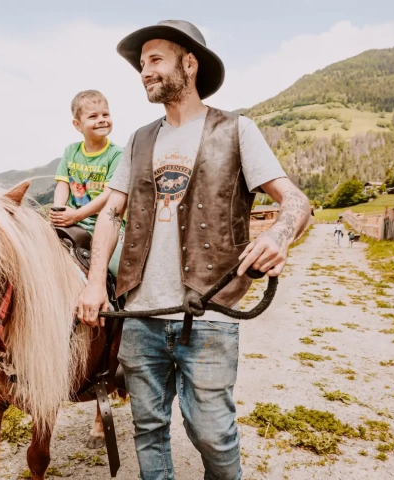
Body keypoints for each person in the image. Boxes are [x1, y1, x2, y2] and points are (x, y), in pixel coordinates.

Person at [75, 20, 312, 480]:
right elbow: (110, 213)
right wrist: (93, 284)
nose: (144, 71)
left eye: (155, 59)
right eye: (141, 65)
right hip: (139, 315)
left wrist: (277, 236)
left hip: (210, 313)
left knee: (211, 433)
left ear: (189, 62)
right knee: (147, 428)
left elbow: (296, 201)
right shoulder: (139, 139)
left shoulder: (238, 130)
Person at [50, 90, 125, 276]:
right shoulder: (71, 151)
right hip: (72, 220)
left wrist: (77, 215)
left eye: (105, 114)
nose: (102, 119)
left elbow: (109, 194)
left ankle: (124, 303)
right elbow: (63, 184)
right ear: (78, 125)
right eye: (93, 116)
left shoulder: (116, 154)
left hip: (106, 222)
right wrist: (59, 211)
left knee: (121, 268)